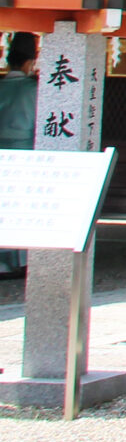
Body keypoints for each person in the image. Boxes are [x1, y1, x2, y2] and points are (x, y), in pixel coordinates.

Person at [0, 34, 37, 276]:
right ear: (30, 62)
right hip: (23, 153)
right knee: (20, 208)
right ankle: (19, 260)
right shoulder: (34, 89)